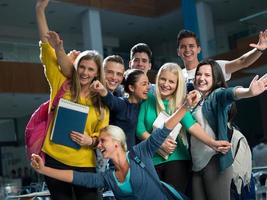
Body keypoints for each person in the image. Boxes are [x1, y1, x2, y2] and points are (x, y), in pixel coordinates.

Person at [31, 103, 231, 200]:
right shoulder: (108, 177)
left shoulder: (139, 154)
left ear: (117, 142)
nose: (98, 145)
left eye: (102, 141)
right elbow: (78, 178)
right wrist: (44, 170)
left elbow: (162, 132)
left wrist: (184, 107)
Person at [35, 0, 109, 199]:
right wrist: (40, 11)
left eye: (90, 69)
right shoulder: (61, 83)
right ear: (76, 67)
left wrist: (90, 140)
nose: (85, 72)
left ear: (96, 73)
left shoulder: (101, 101)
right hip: (54, 160)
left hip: (85, 165)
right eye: (82, 67)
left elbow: (102, 139)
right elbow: (46, 45)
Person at [136, 62, 230, 193]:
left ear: (177, 85)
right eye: (163, 79)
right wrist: (159, 143)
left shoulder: (181, 104)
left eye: (171, 82)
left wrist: (213, 143)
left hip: (177, 161)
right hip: (150, 161)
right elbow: (140, 130)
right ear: (158, 79)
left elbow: (192, 126)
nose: (166, 84)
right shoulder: (148, 100)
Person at [187, 59, 267, 200]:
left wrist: (248, 91)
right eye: (199, 74)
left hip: (215, 161)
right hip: (196, 164)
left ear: (216, 78)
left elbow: (230, 93)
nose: (201, 78)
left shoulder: (217, 96)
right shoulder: (193, 101)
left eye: (207, 75)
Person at [177, 29, 267, 91]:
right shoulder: (176, 76)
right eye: (183, 47)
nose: (187, 50)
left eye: (191, 46)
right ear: (178, 52)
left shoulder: (213, 67)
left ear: (199, 49)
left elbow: (242, 62)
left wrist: (259, 50)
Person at [91, 69, 149, 149]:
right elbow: (111, 99)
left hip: (133, 157)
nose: (148, 87)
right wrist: (102, 89)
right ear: (131, 88)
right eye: (144, 84)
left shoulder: (145, 105)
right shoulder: (122, 104)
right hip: (115, 155)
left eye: (148, 84)